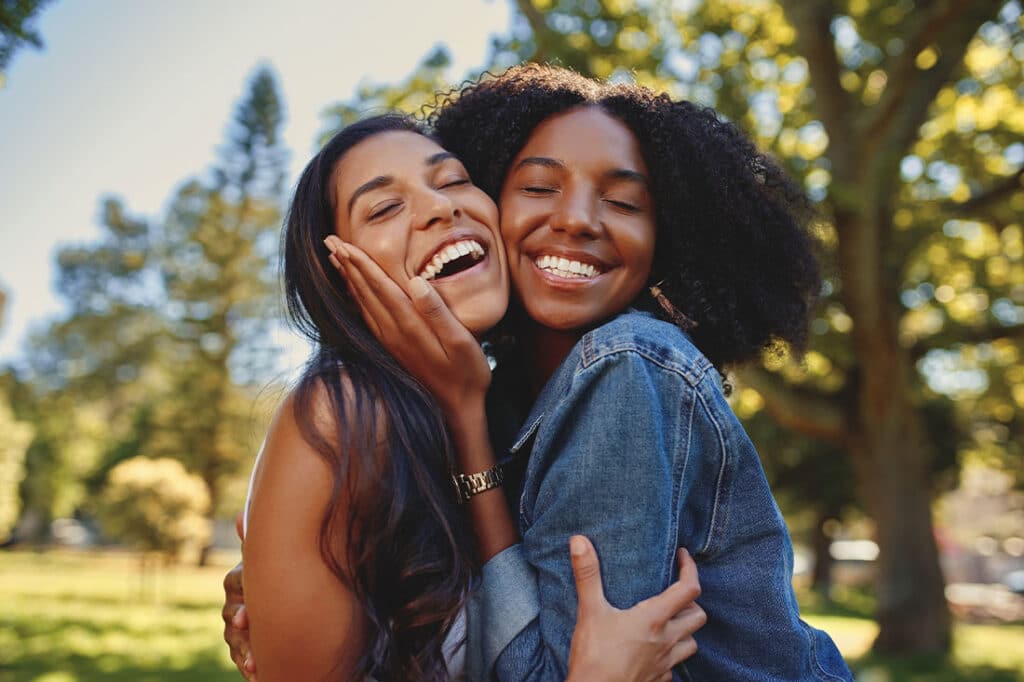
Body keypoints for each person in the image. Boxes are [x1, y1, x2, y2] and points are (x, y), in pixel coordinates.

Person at [324, 65, 853, 680]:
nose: (577, 219)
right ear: (487, 205)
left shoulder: (625, 367)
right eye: (540, 188)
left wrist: (464, 424)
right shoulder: (494, 394)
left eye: (624, 202)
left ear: (665, 238)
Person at [232, 112, 706, 682]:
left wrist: (465, 417)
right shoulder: (340, 413)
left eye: (454, 180)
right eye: (383, 208)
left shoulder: (504, 408)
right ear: (340, 281)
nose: (440, 207)